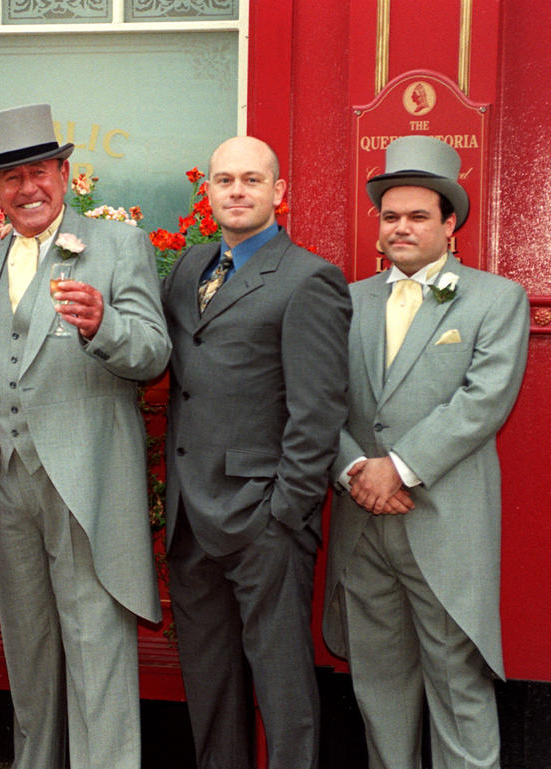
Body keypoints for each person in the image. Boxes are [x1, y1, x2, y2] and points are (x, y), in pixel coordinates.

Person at [0, 102, 171, 769]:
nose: (27, 188)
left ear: (65, 172)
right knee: (27, 647)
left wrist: (103, 324)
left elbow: (154, 353)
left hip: (86, 480)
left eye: (39, 171)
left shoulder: (118, 245)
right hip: (7, 484)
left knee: (95, 646)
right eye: (10, 178)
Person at [323, 135, 530, 769]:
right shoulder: (345, 301)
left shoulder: (497, 299)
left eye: (418, 216)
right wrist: (356, 468)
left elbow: (483, 400)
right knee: (378, 689)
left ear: (450, 224)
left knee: (457, 684)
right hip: (362, 525)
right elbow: (316, 402)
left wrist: (398, 468)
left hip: (444, 524)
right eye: (390, 216)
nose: (401, 228)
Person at [162, 135, 352, 769]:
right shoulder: (190, 267)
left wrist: (285, 511)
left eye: (250, 180)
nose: (236, 191)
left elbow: (318, 408)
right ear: (208, 192)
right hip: (190, 517)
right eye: (223, 180)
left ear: (279, 193)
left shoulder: (310, 279)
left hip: (262, 518)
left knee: (284, 687)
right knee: (210, 687)